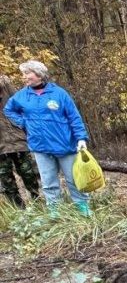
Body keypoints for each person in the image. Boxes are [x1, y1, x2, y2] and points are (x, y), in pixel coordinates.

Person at [2, 61, 92, 215]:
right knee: (49, 183)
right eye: (23, 74)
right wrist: (23, 122)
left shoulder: (59, 93)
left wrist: (81, 138)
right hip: (40, 147)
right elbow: (8, 109)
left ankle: (83, 208)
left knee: (73, 180)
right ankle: (55, 212)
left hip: (65, 145)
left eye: (27, 73)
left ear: (38, 74)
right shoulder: (22, 96)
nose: (24, 77)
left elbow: (74, 117)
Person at [0, 75, 41, 207]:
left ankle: (37, 203)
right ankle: (19, 210)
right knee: (7, 182)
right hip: (1, 147)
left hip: (18, 139)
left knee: (29, 174)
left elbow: (22, 105)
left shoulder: (5, 84)